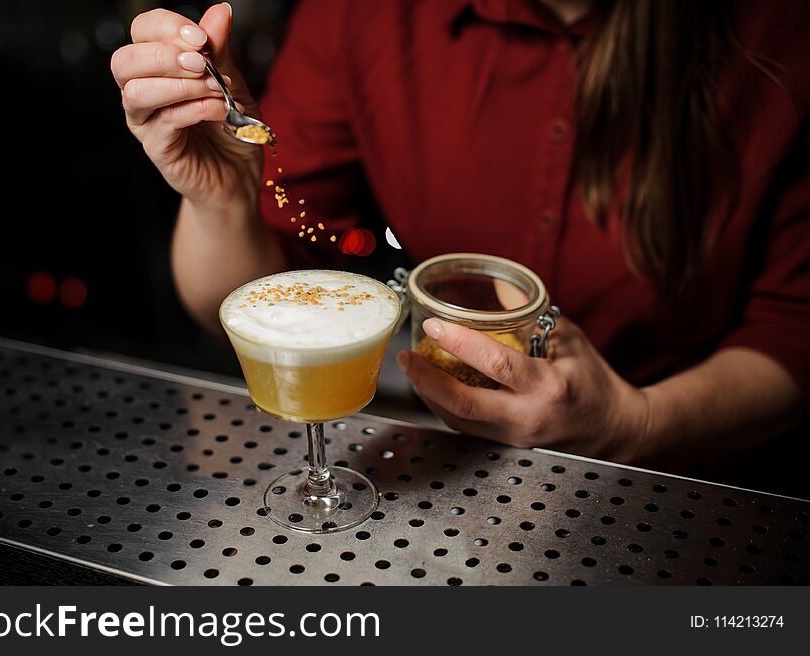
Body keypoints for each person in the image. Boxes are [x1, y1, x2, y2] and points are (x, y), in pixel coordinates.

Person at [110, 0, 809, 477]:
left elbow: (794, 330)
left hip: (698, 474)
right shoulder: (363, 14)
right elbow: (243, 300)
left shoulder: (780, 33)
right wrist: (224, 203)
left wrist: (637, 423)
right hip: (449, 457)